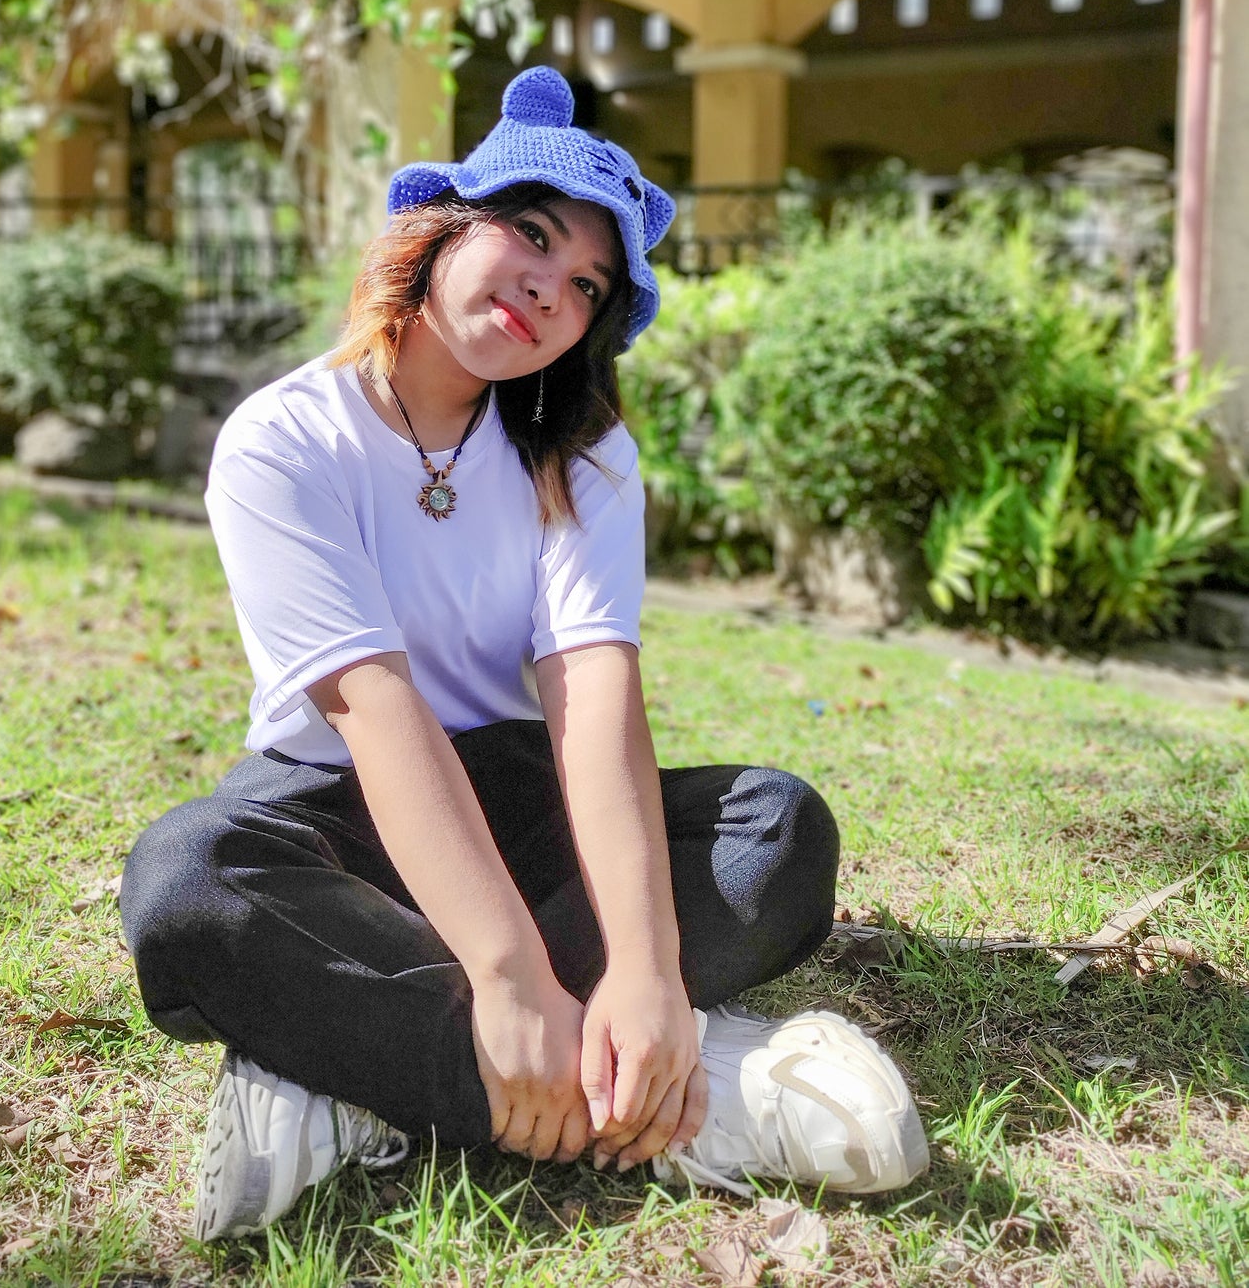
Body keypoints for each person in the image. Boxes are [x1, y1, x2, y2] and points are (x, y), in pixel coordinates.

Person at [120, 68, 929, 1242]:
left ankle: (356, 1075)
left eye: (586, 283)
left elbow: (593, 699)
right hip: (338, 814)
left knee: (775, 831)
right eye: (530, 236)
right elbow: (373, 705)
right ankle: (687, 1099)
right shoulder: (284, 439)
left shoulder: (583, 454)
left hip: (518, 797)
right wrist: (503, 977)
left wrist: (647, 971)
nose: (549, 289)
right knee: (190, 881)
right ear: (442, 229)